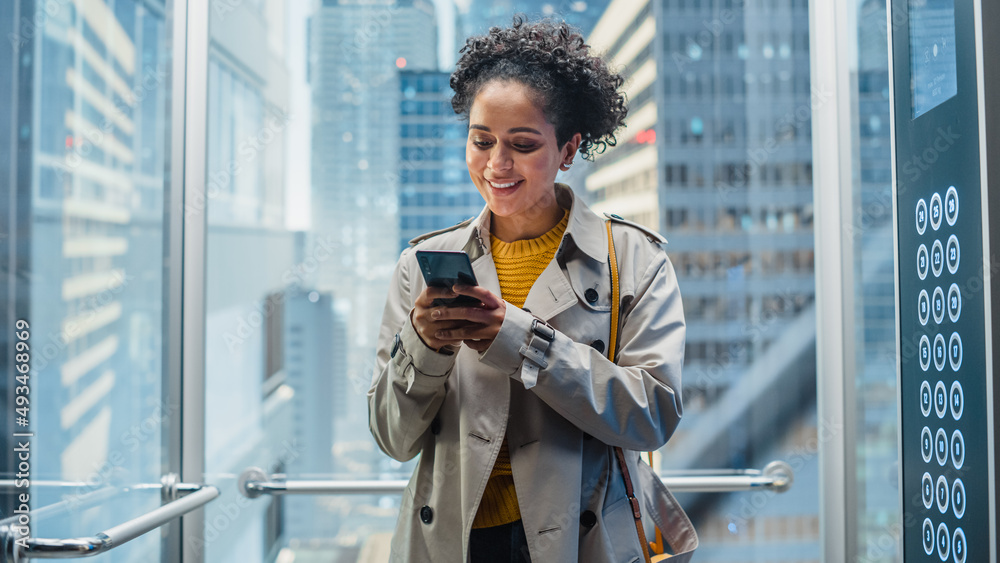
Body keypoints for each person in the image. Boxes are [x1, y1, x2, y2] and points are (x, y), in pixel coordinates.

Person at [369, 16, 685, 563]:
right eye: (481, 140)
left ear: (568, 148)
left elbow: (653, 415)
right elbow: (393, 439)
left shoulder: (634, 260)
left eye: (522, 143)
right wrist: (423, 344)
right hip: (454, 542)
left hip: (577, 540)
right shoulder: (420, 267)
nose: (496, 165)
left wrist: (518, 339)